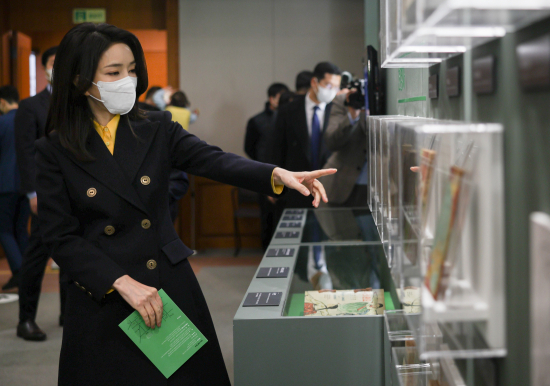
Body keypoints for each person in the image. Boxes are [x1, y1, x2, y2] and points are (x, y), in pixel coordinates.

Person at [35, 22, 335, 385]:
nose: (127, 80)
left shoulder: (156, 127)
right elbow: (59, 236)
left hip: (166, 285)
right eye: (114, 72)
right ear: (80, 81)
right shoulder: (54, 150)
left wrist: (276, 174)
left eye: (131, 69)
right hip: (103, 294)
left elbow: (214, 160)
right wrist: (119, 281)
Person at [14, 45, 67, 340]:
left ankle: (67, 315)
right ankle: (25, 320)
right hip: (45, 195)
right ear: (45, 68)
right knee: (38, 258)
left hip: (76, 194)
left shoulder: (78, 103)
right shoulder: (30, 106)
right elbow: (25, 153)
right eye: (53, 63)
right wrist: (32, 193)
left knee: (72, 258)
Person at [270, 61, 341, 210]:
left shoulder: (338, 111)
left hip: (330, 189)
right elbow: (276, 149)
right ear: (314, 82)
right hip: (295, 188)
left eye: (336, 87)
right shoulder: (288, 110)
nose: (333, 91)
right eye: (329, 85)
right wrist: (272, 184)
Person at [244, 82, 290, 249]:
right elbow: (249, 148)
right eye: (280, 97)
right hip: (266, 174)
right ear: (272, 99)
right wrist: (262, 166)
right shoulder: (257, 121)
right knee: (268, 217)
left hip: (289, 174)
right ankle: (267, 254)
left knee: (287, 217)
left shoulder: (289, 119)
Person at [0, 86, 30, 291]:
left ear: (2, 102)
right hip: (27, 184)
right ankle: (28, 272)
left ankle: (19, 271)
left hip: (5, 184)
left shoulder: (2, 122)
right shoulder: (29, 119)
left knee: (4, 230)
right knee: (21, 229)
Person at [317, 90, 368, 207]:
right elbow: (331, 142)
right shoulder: (345, 100)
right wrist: (352, 116)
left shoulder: (388, 97)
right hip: (341, 183)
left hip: (381, 185)